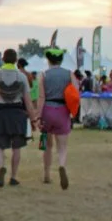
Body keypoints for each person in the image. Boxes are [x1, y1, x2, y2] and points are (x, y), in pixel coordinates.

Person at [0, 49, 38, 187]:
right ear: (16, 60)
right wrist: (33, 119)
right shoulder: (22, 77)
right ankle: (14, 177)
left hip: (1, 113)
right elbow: (28, 102)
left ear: (3, 59)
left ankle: (1, 166)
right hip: (17, 114)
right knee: (17, 148)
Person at [37, 47, 78, 189]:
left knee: (47, 146)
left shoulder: (43, 75)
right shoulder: (69, 74)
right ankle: (61, 165)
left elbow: (41, 97)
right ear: (61, 60)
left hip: (47, 110)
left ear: (48, 60)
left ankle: (46, 174)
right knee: (62, 146)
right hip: (62, 111)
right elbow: (75, 93)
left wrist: (38, 116)